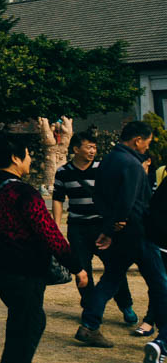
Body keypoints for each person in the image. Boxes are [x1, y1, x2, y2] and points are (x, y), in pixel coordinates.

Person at [0, 135, 86, 363]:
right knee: (29, 324)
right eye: (27, 155)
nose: (30, 159)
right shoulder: (24, 193)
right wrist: (77, 266)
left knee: (22, 321)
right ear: (15, 158)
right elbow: (49, 233)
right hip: (24, 269)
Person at [76, 120, 167, 363]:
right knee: (160, 282)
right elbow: (128, 203)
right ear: (138, 140)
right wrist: (117, 226)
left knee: (111, 278)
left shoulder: (108, 161)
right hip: (138, 231)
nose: (147, 147)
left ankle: (89, 323)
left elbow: (100, 197)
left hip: (118, 232)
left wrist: (108, 229)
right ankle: (163, 337)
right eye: (147, 142)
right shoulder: (132, 165)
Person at [52, 130, 137, 324]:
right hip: (77, 228)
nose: (93, 151)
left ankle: (125, 304)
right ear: (76, 149)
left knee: (115, 267)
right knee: (82, 271)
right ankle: (90, 308)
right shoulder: (63, 172)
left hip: (102, 226)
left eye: (95, 147)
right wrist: (56, 226)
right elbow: (57, 199)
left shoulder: (102, 168)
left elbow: (117, 193)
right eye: (89, 147)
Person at [133, 156, 166, 337]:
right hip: (160, 238)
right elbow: (153, 205)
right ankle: (152, 324)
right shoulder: (161, 173)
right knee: (159, 283)